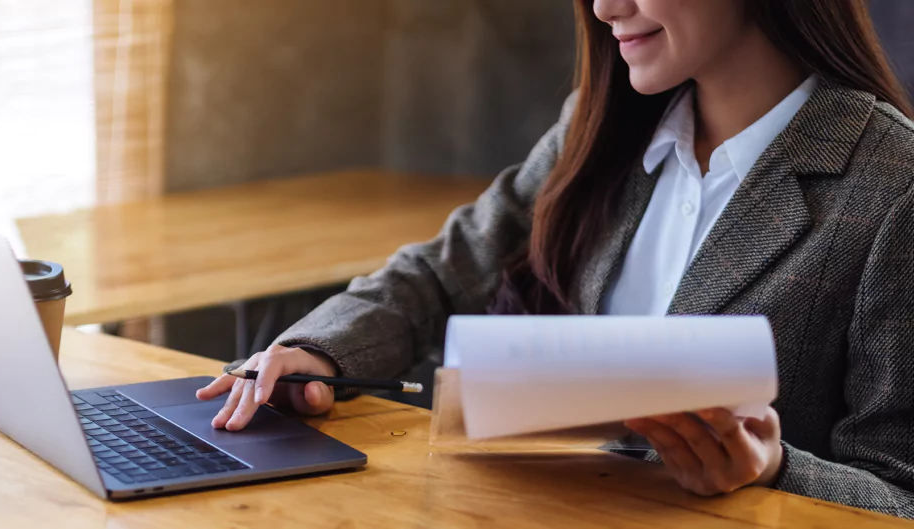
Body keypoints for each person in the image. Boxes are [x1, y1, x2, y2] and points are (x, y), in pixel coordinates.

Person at [197, 0, 914, 517]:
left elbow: (899, 490)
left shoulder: (890, 185)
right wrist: (317, 350)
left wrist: (775, 466)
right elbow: (445, 270)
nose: (605, 8)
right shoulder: (601, 125)